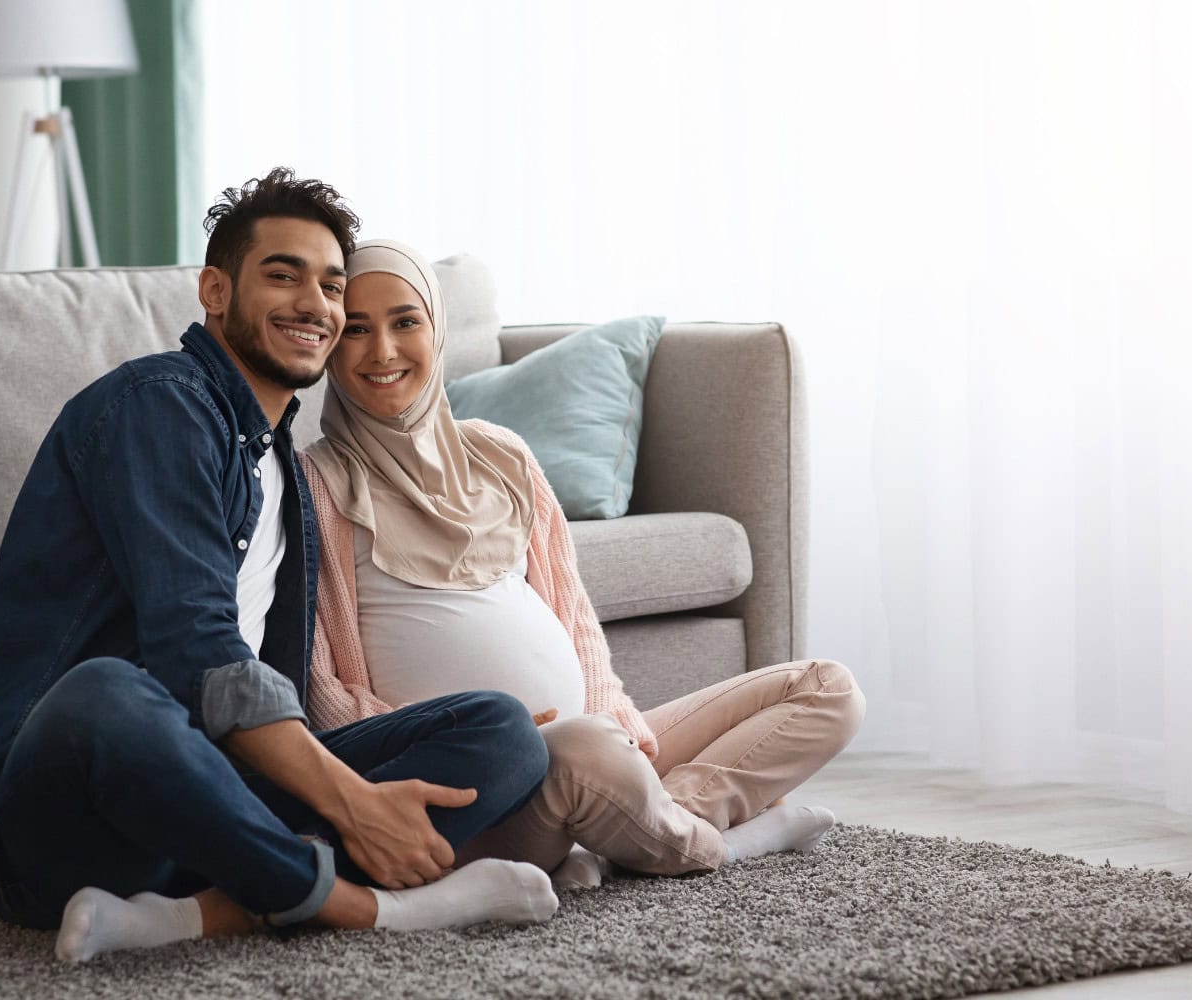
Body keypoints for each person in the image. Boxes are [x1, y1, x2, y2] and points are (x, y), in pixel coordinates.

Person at [0, 171, 558, 965]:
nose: (316, 305)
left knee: (500, 730)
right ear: (215, 290)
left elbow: (278, 689)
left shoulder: (285, 468)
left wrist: (366, 769)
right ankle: (363, 908)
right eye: (283, 274)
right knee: (107, 690)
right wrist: (357, 807)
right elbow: (198, 651)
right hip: (75, 825)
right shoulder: (157, 405)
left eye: (332, 285)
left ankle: (210, 911)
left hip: (215, 810)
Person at [300, 239, 867, 888]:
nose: (383, 351)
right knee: (588, 757)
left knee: (828, 689)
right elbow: (323, 695)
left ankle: (627, 824)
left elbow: (575, 620)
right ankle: (734, 840)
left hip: (592, 741)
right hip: (478, 796)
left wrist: (611, 720)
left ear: (437, 329)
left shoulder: (501, 453)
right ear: (329, 348)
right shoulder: (316, 488)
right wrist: (489, 738)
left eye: (406, 322)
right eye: (357, 331)